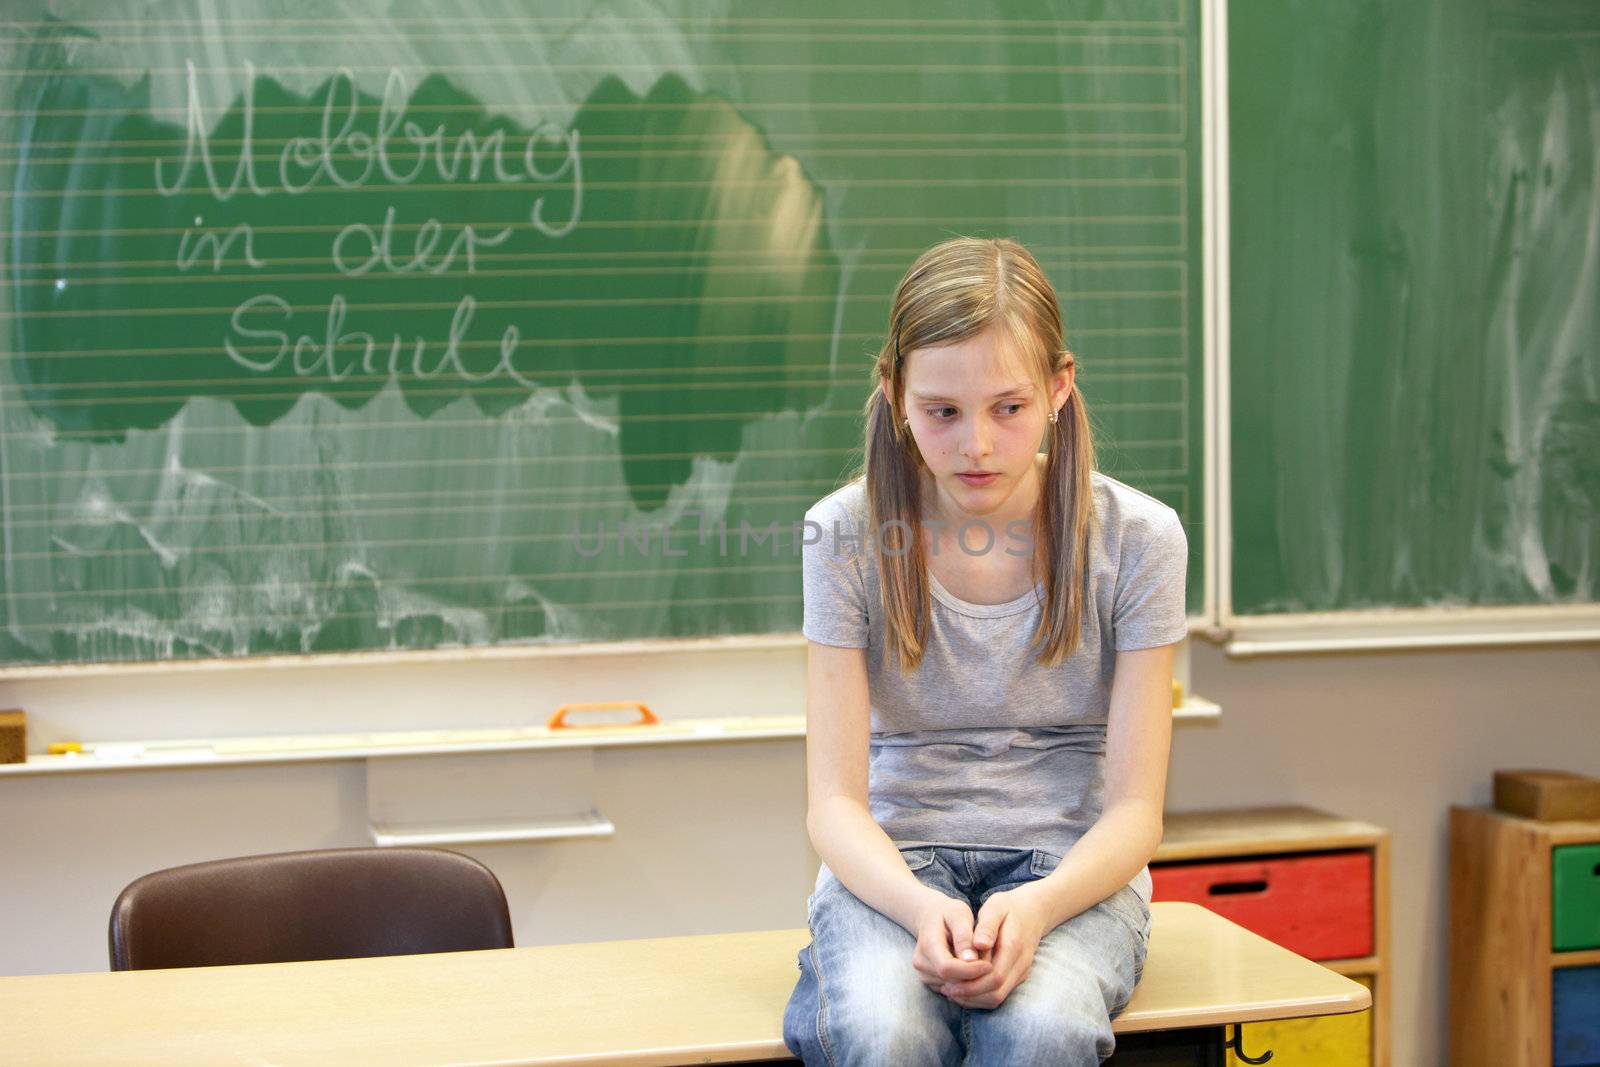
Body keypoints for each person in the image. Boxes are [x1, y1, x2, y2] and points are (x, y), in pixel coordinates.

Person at [782, 237, 1188, 1065]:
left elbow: (1136, 813)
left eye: (1009, 407)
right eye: (942, 411)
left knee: (1040, 1030)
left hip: (1070, 869)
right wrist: (915, 907)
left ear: (1059, 388)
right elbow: (833, 803)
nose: (976, 445)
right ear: (895, 395)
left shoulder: (1140, 539)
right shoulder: (845, 535)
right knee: (883, 1030)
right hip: (895, 867)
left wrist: (1037, 907)